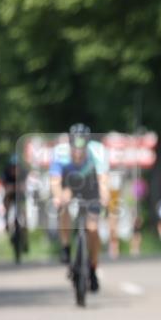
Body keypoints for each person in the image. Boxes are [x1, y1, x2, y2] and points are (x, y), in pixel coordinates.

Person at [50, 124, 109, 291]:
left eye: (82, 145)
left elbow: (103, 180)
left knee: (92, 228)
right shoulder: (60, 153)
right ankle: (66, 245)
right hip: (68, 185)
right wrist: (58, 196)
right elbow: (55, 180)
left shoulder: (97, 153)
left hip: (91, 187)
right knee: (62, 207)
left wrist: (104, 197)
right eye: (75, 145)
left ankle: (92, 268)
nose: (78, 150)